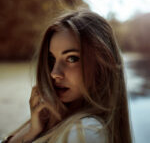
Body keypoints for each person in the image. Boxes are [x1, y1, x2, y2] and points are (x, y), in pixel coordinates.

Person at [2, 9, 132, 143]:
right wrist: (31, 132)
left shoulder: (85, 132)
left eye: (71, 59)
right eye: (52, 59)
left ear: (102, 66)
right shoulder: (60, 124)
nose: (54, 73)